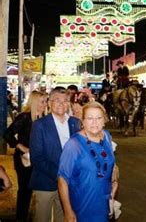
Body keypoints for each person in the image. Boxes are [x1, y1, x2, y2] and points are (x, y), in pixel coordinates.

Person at [29, 88, 81, 222]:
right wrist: (59, 176)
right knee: (42, 218)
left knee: (63, 217)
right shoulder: (39, 125)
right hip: (46, 181)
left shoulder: (75, 123)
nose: (61, 104)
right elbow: (37, 157)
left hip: (70, 183)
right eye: (57, 100)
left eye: (65, 101)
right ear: (49, 103)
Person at [58, 102, 116, 222]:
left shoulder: (107, 136)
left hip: (103, 204)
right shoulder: (74, 145)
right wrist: (68, 211)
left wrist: (113, 192)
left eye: (99, 118)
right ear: (83, 121)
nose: (95, 122)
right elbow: (62, 179)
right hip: (83, 205)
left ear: (104, 120)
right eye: (90, 118)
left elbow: (112, 167)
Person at [3, 90, 48, 222]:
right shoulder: (25, 117)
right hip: (25, 159)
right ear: (34, 102)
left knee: (39, 190)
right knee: (25, 190)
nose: (44, 104)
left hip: (40, 159)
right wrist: (21, 147)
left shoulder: (45, 119)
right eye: (42, 101)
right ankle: (21, 217)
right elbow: (7, 134)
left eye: (46, 101)